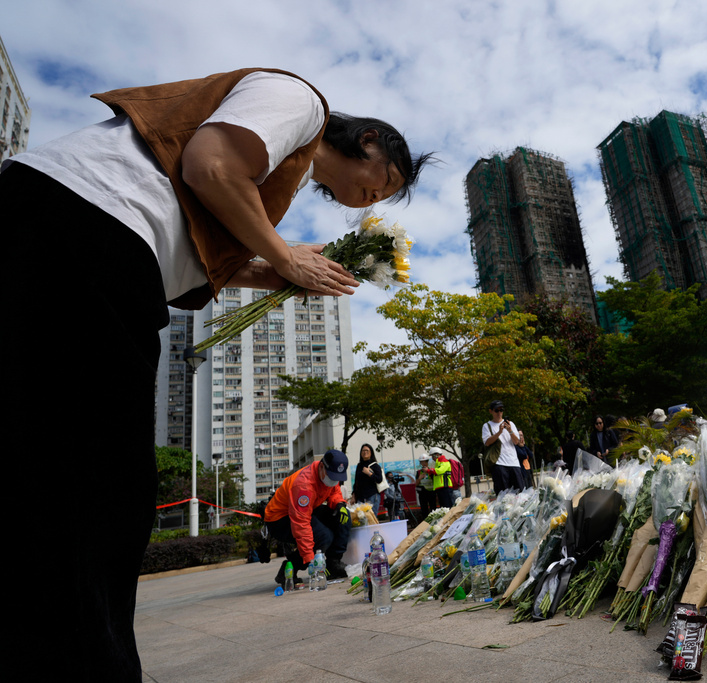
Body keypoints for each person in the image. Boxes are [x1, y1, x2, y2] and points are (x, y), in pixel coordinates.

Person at [2, 67, 431, 680]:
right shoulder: (302, 101)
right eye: (380, 183)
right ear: (367, 140)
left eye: (381, 202)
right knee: (99, 490)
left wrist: (275, 269)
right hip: (85, 228)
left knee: (55, 479)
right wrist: (285, 257)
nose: (370, 201)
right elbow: (209, 165)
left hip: (74, 237)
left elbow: (199, 251)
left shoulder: (273, 176)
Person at [264, 449, 351, 582]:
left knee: (342, 517)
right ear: (321, 467)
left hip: (307, 509)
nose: (334, 481)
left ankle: (334, 563)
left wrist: (339, 503)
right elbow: (301, 524)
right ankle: (289, 568)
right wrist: (311, 560)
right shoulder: (304, 486)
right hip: (279, 519)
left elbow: (334, 490)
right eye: (332, 477)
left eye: (337, 478)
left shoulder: (328, 474)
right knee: (323, 537)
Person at [482, 399, 526, 494]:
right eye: (496, 410)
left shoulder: (511, 424)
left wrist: (510, 430)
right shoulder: (487, 426)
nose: (499, 413)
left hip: (514, 463)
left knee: (520, 494)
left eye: (501, 410)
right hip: (499, 463)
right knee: (503, 495)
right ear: (491, 411)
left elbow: (516, 442)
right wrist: (499, 432)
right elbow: (487, 442)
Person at [351, 444, 385, 515]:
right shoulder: (359, 466)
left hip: (372, 495)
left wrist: (369, 473)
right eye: (363, 450)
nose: (365, 452)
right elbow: (356, 481)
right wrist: (353, 495)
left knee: (371, 518)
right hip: (360, 497)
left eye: (367, 450)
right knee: (361, 520)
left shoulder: (375, 465)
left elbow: (379, 479)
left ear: (371, 452)